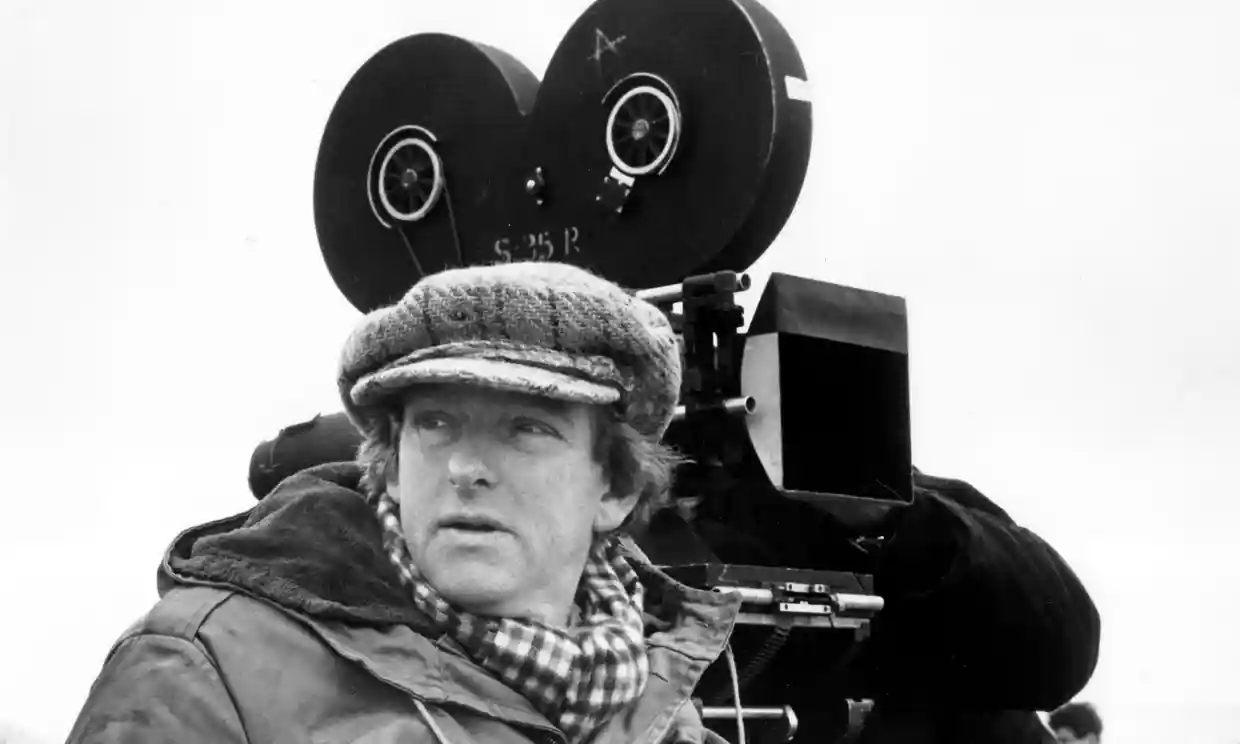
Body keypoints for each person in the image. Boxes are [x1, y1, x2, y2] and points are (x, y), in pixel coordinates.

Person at [66, 261, 734, 744]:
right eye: (435, 424)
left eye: (527, 429)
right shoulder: (204, 669)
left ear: (614, 488)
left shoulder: (651, 696)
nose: (465, 468)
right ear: (390, 469)